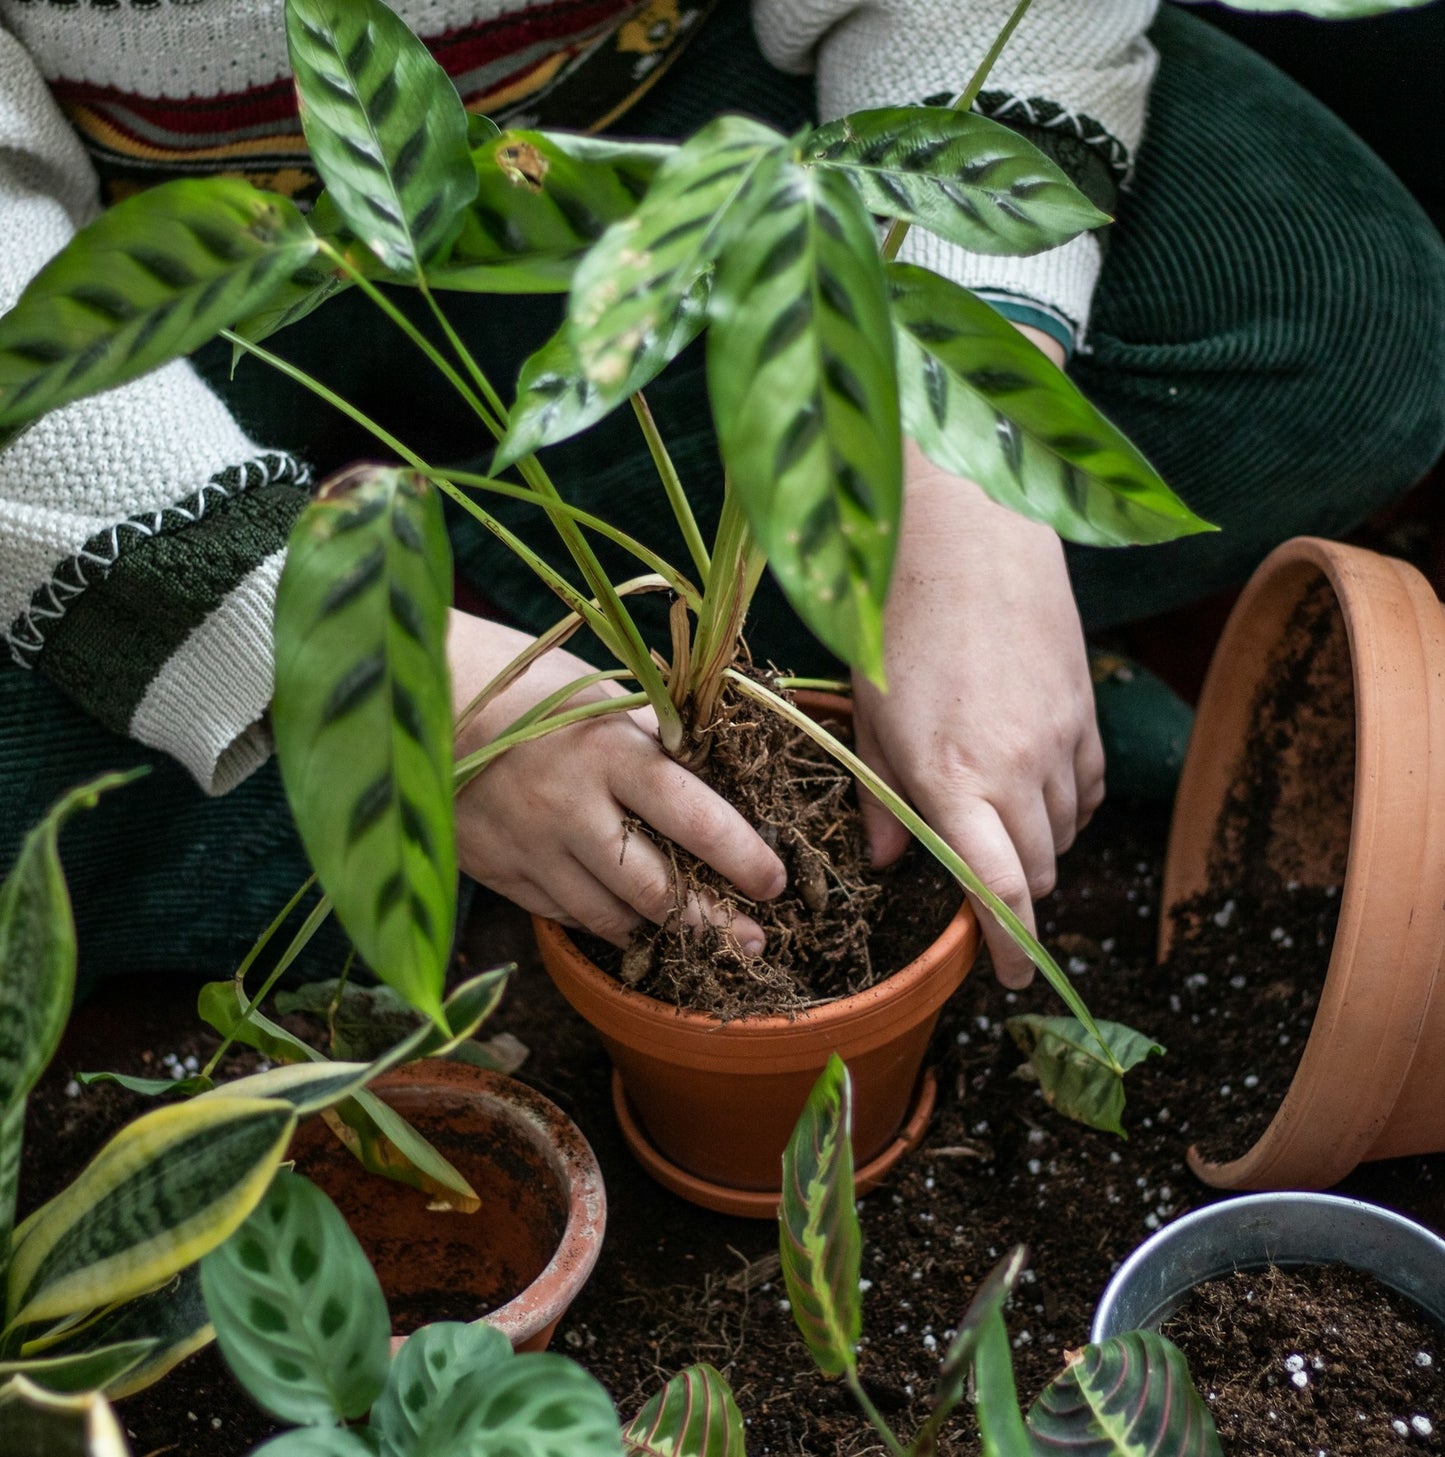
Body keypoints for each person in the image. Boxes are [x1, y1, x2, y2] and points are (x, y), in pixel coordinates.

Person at [1, 0, 1442, 994]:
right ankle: (598, 712)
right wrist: (340, 659)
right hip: (158, 298)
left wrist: (952, 455)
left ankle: (565, 747)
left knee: (1337, 319)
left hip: (663, 132)